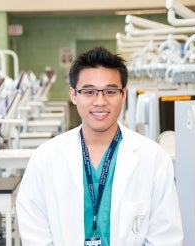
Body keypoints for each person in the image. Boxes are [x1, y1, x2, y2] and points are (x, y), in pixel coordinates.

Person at [16, 46, 183, 245]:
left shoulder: (154, 158)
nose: (100, 101)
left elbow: (165, 236)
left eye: (110, 91)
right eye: (89, 91)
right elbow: (34, 231)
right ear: (73, 95)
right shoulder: (45, 158)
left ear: (123, 94)